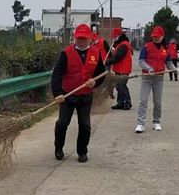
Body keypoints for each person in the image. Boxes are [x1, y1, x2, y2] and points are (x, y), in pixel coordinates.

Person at [51, 24, 106, 163]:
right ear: (75, 38)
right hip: (68, 94)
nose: (81, 41)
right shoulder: (66, 53)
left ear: (90, 39)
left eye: (84, 38)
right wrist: (57, 92)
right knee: (62, 123)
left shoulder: (95, 53)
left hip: (85, 95)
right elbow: (57, 74)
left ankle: (82, 151)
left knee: (85, 125)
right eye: (79, 38)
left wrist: (95, 83)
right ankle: (58, 148)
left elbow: (101, 73)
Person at [135, 26, 177, 133]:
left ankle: (157, 122)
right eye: (154, 36)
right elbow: (141, 61)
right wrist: (148, 68)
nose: (156, 38)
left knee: (157, 102)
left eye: (158, 36)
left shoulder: (166, 49)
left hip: (159, 78)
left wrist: (174, 69)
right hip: (147, 77)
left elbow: (168, 63)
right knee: (143, 101)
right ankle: (140, 124)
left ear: (163, 36)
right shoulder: (146, 47)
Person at [105, 27, 133, 110]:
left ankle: (128, 103)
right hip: (119, 69)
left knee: (122, 86)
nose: (114, 38)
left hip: (123, 69)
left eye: (115, 36)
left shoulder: (124, 45)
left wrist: (107, 62)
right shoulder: (119, 44)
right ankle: (120, 103)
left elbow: (118, 57)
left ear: (120, 35)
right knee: (118, 87)